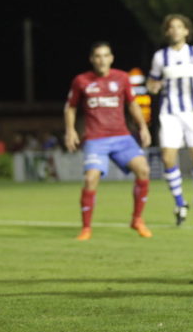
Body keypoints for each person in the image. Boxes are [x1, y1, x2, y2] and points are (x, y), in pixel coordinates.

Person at [65, 41, 154, 241]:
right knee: (91, 179)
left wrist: (143, 127)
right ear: (92, 59)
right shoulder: (81, 81)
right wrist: (70, 131)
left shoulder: (122, 78)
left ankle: (137, 219)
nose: (102, 60)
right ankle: (86, 228)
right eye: (98, 56)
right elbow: (70, 107)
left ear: (111, 58)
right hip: (96, 139)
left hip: (122, 136)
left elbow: (133, 105)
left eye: (105, 55)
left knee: (143, 170)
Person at [147, 14, 193, 227]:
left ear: (187, 31)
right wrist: (153, 87)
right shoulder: (160, 57)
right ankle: (179, 203)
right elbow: (152, 82)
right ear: (167, 32)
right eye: (171, 27)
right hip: (169, 114)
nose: (175, 30)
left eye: (179, 27)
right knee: (168, 159)